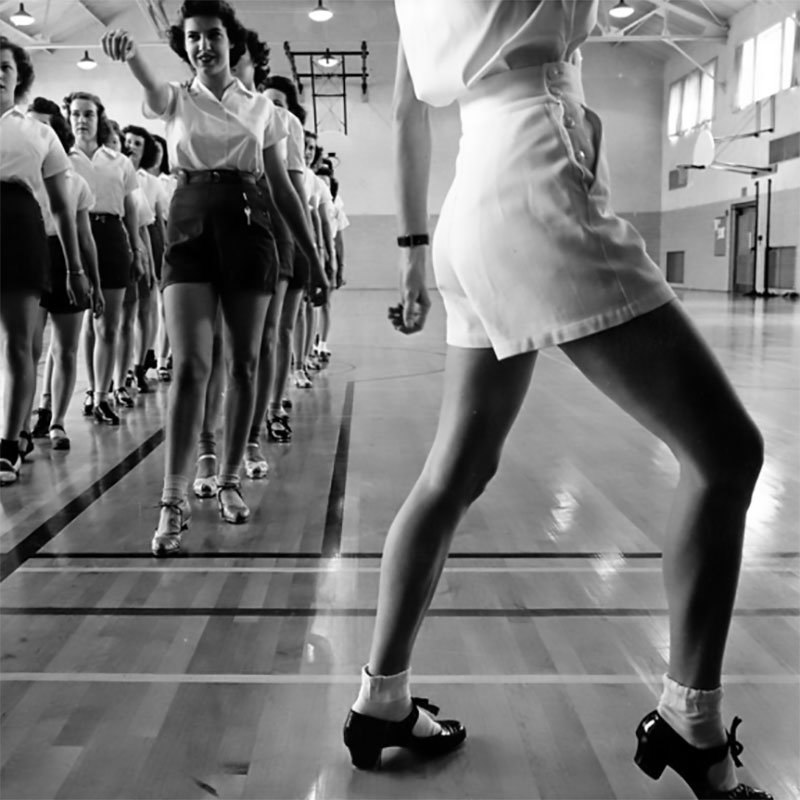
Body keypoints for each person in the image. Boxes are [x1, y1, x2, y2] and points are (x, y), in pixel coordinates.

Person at [342, 3, 772, 798]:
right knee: (727, 454)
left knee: (456, 471)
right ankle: (694, 726)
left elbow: (406, 106)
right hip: (540, 180)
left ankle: (382, 698)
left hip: (472, 203)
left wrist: (410, 250)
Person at [101, 0, 327, 557]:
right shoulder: (177, 98)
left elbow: (284, 188)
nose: (204, 45)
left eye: (213, 35)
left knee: (246, 362)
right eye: (195, 37)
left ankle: (229, 478)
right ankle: (173, 500)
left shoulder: (264, 111)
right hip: (190, 222)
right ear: (188, 45)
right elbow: (153, 94)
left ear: (233, 42)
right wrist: (133, 60)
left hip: (250, 225)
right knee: (194, 366)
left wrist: (315, 259)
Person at [1, 38, 90, 484]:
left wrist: (74, 267)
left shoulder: (39, 132)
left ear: (19, 78)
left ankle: (9, 443)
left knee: (21, 343)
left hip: (18, 227)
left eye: (5, 67)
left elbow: (63, 208)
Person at [26, 97, 103, 451]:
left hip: (63, 258)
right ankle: (20, 425)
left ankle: (57, 421)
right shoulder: (16, 172)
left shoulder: (74, 182)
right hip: (28, 255)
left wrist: (94, 284)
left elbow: (86, 239)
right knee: (26, 347)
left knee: (66, 348)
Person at [65, 91, 143, 426]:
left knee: (107, 322)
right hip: (71, 237)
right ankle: (79, 392)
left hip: (110, 236)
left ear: (100, 118)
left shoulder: (120, 161)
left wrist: (138, 250)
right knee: (81, 322)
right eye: (76, 114)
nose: (82, 120)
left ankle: (102, 394)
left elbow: (131, 211)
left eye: (89, 114)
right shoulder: (61, 158)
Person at [262, 74, 313, 441]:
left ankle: (276, 406)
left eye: (279, 102)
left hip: (284, 233)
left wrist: (312, 251)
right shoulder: (249, 120)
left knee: (283, 329)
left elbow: (294, 191)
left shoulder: (289, 128)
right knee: (257, 333)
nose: (272, 107)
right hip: (252, 228)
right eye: (268, 100)